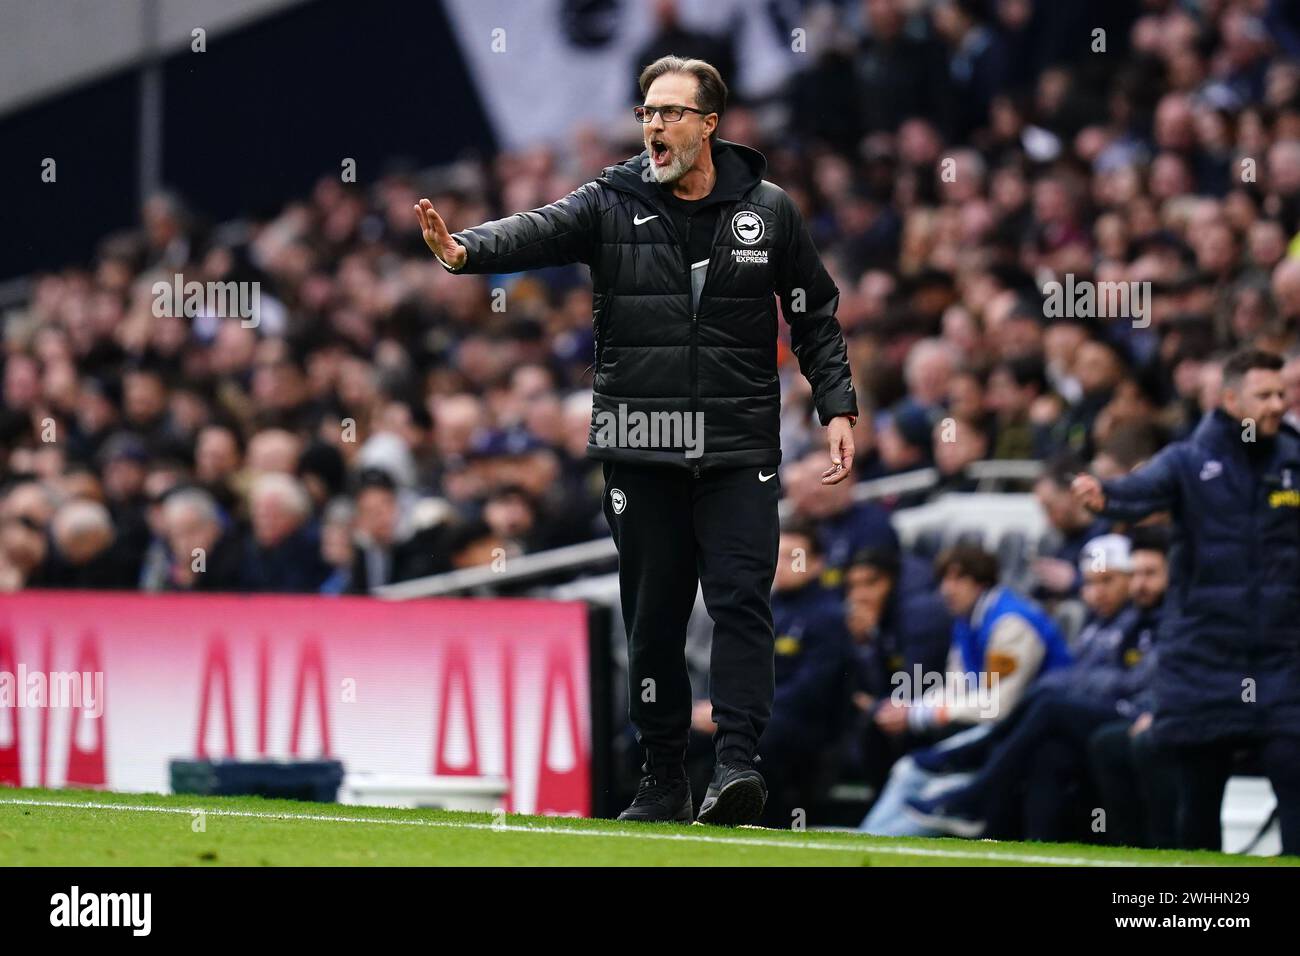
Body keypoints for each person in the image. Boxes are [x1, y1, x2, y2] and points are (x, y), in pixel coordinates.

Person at [414, 56, 858, 826]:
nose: (654, 125)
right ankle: (661, 778)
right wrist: (467, 251)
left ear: (709, 124)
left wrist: (839, 407)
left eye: (672, 113)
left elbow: (813, 313)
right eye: (647, 111)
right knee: (652, 616)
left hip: (736, 447)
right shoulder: (611, 201)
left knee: (742, 600)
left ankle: (738, 766)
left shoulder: (769, 211)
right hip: (640, 442)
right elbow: (540, 228)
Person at [1072, 348, 1300, 855]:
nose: (1277, 404)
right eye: (1264, 395)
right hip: (1205, 658)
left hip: (1283, 662)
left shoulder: (1294, 461)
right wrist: (1104, 495)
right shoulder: (1189, 461)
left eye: (1282, 393)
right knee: (1198, 806)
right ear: (1230, 399)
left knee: (1294, 781)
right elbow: (1140, 490)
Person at [904, 534, 1162, 841]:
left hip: (1132, 714)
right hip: (1088, 715)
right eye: (1090, 583)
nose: (1096, 593)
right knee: (1047, 752)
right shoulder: (1099, 624)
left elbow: (1128, 682)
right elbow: (1072, 675)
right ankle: (1032, 849)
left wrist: (1084, 682)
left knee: (1049, 704)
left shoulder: (1147, 621)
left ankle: (973, 782)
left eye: (1108, 581)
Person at [859, 544, 1071, 835]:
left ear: (982, 582)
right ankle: (869, 839)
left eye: (959, 579)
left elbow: (998, 705)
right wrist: (910, 709)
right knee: (907, 769)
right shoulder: (967, 620)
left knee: (934, 787)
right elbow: (957, 686)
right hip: (996, 731)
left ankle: (877, 846)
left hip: (1023, 734)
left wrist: (920, 716)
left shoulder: (1010, 623)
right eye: (944, 579)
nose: (947, 589)